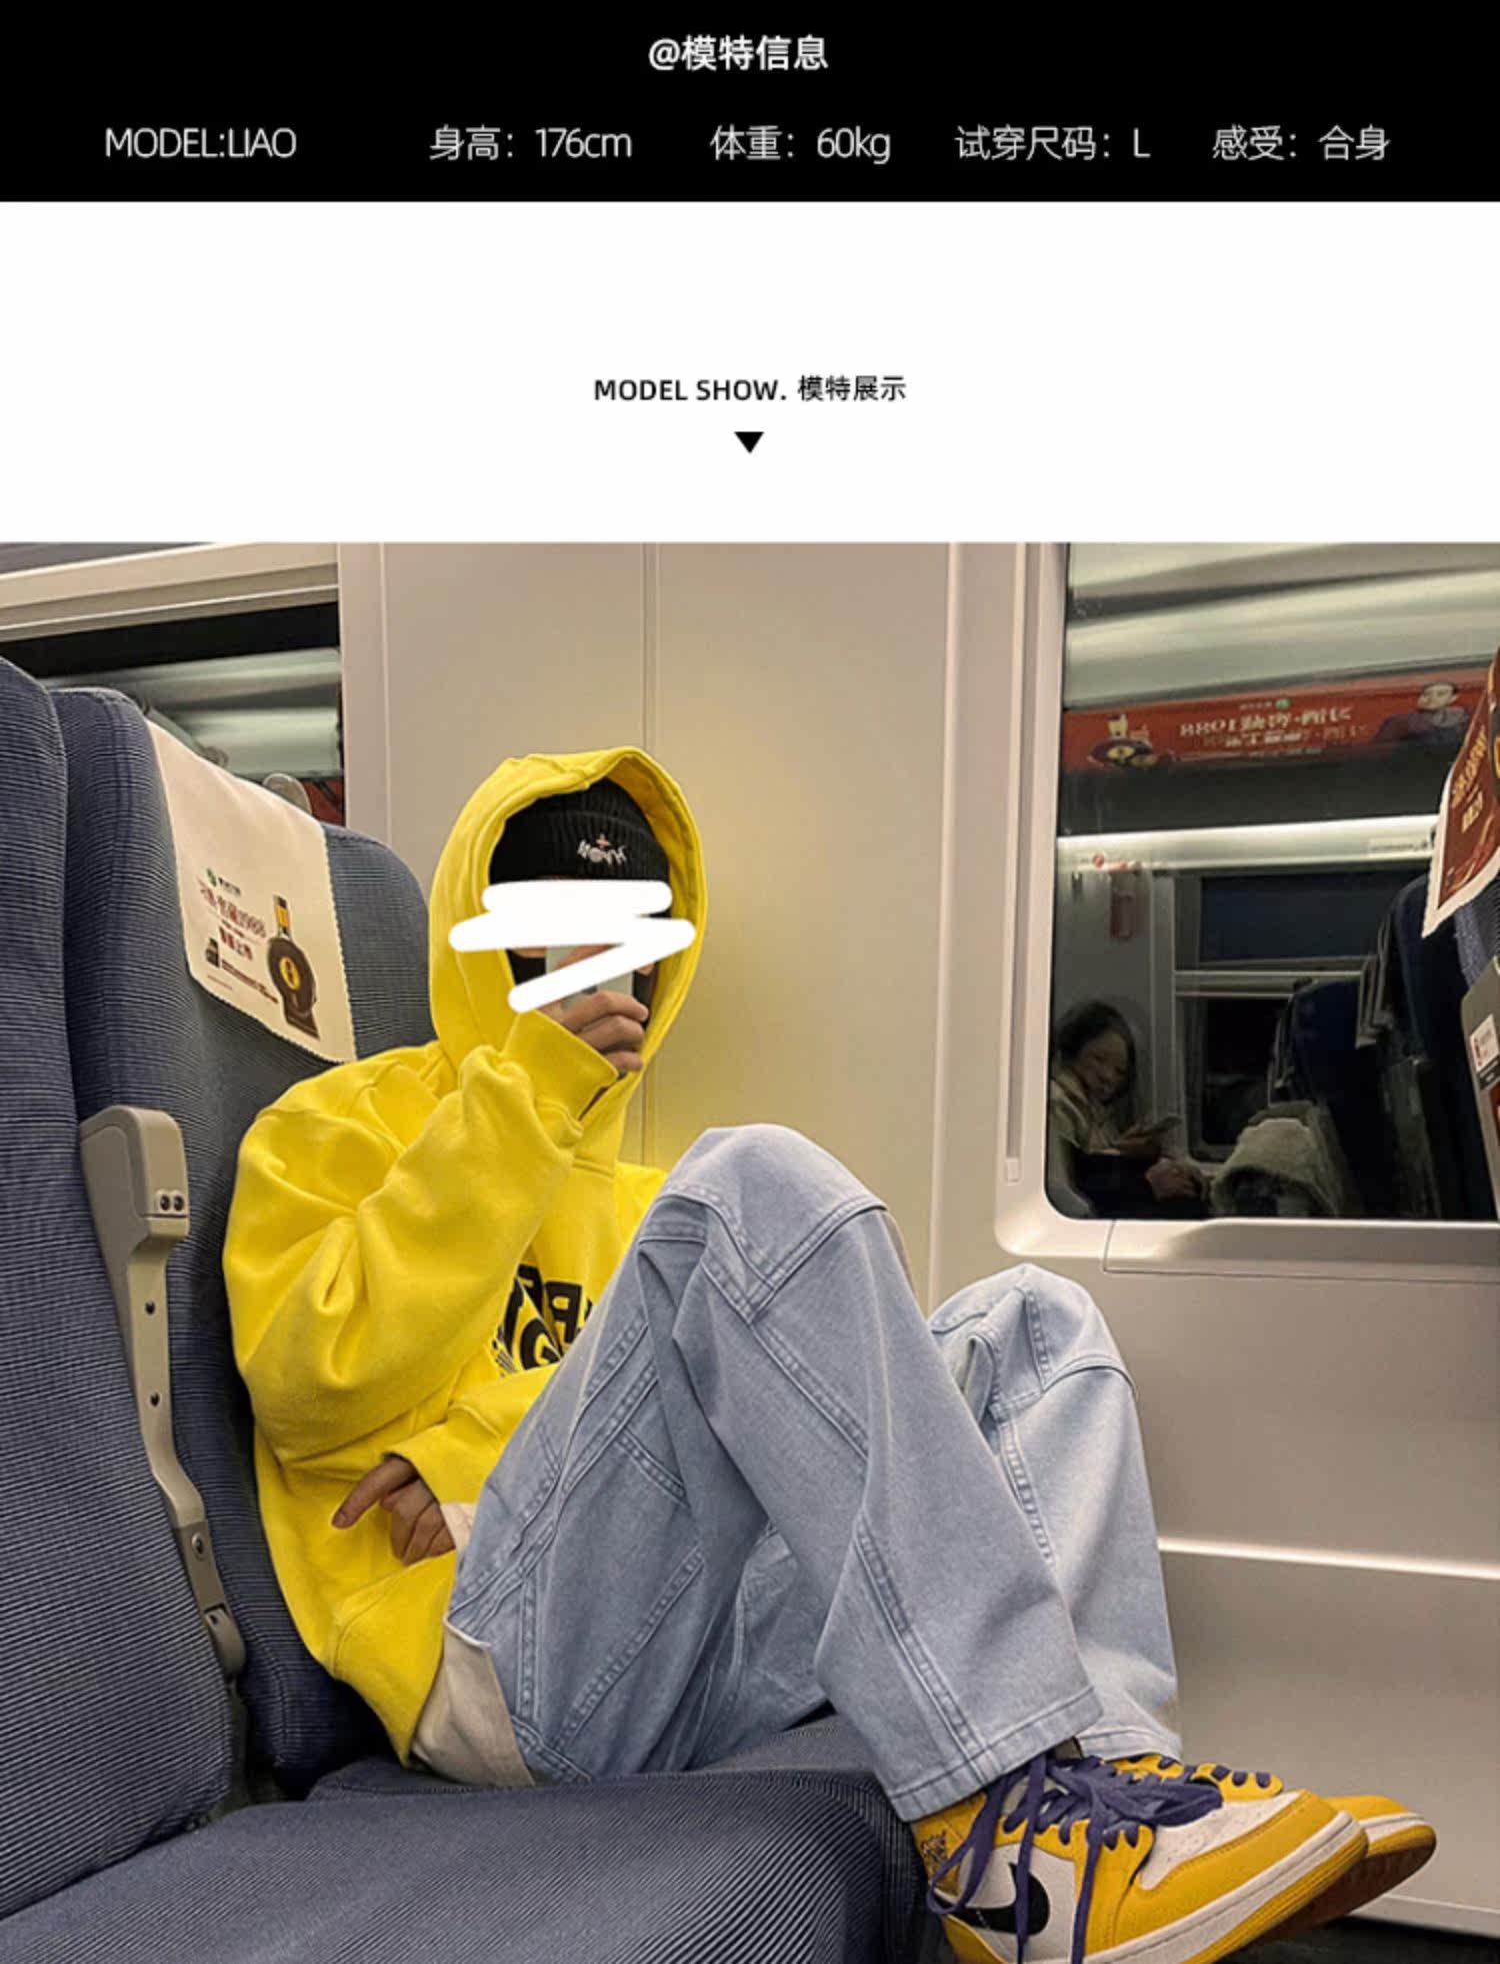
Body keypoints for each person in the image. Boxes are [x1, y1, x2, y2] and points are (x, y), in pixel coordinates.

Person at [224, 747, 1433, 1962]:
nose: (605, 967)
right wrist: (524, 1099)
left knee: (1032, 1317)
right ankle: (1015, 1835)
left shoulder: (644, 1204)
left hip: (688, 1642)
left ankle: (1101, 1794)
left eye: (632, 937)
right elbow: (307, 1384)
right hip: (489, 1669)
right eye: (560, 928)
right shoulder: (343, 1124)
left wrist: (466, 1459)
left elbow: (660, 1438)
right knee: (750, 1183)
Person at [1047, 1002, 1204, 1214]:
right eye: (1099, 1059)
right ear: (1071, 1052)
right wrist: (1146, 1187)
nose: (1107, 1076)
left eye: (1119, 1071)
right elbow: (1071, 1190)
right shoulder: (1058, 1104)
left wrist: (1127, 1151)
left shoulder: (1098, 1113)